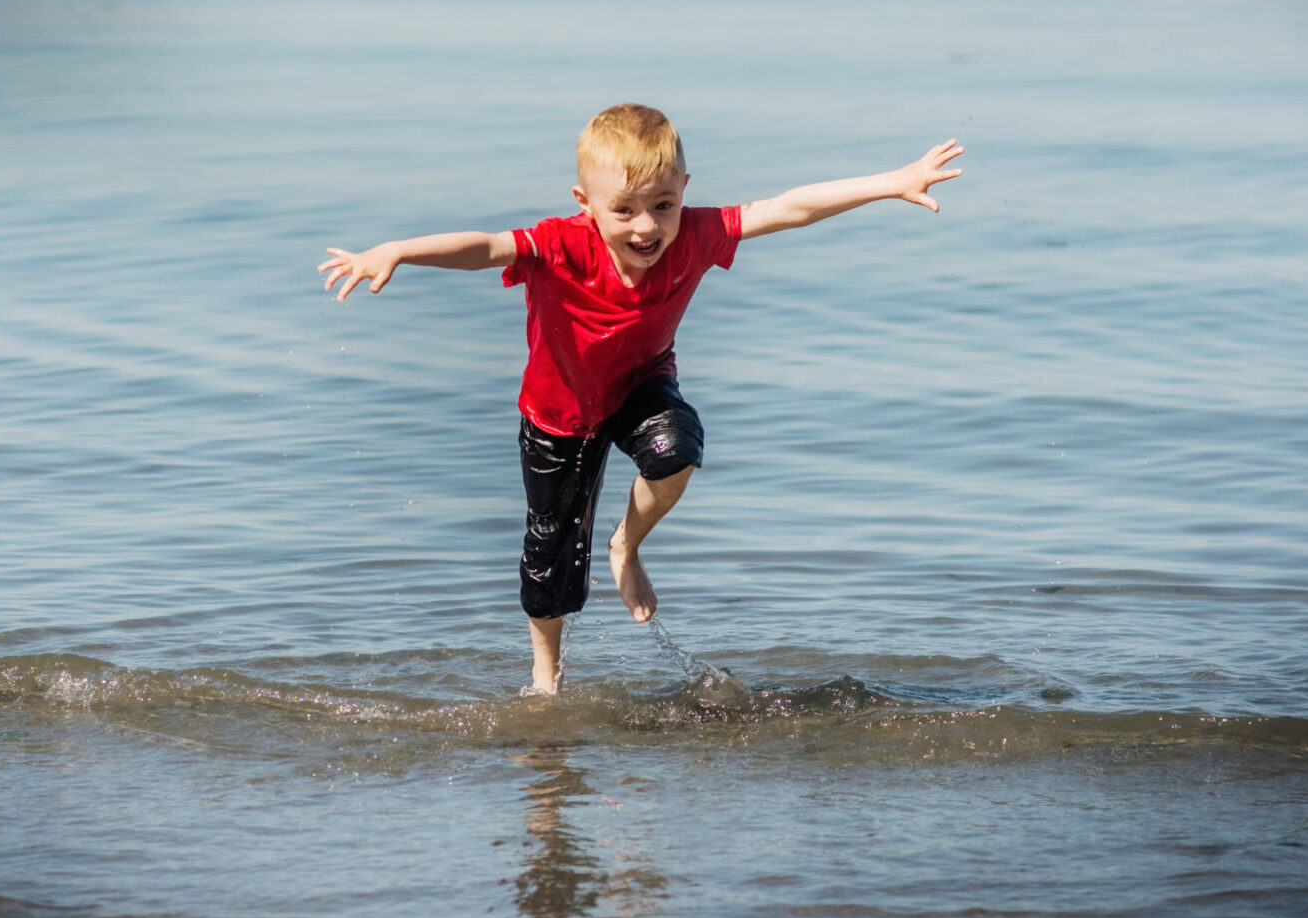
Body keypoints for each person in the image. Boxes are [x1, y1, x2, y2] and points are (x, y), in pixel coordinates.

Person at [318, 103, 962, 694]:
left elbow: (787, 207)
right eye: (624, 209)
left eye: (663, 204)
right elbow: (486, 247)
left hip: (640, 386)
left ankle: (626, 544)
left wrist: (892, 181)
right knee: (549, 556)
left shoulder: (697, 235)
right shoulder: (559, 243)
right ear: (586, 202)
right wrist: (398, 250)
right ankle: (547, 676)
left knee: (676, 449)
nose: (647, 227)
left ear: (685, 190)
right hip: (557, 415)